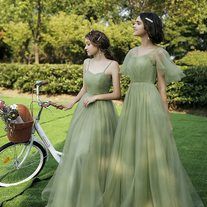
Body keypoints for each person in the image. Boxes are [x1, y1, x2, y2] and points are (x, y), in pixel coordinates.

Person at [101, 12, 204, 207]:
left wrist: (166, 118)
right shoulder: (131, 53)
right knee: (130, 146)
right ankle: (132, 192)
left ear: (147, 28)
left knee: (151, 147)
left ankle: (153, 195)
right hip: (132, 102)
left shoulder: (159, 53)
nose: (133, 25)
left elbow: (162, 87)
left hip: (150, 101)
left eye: (137, 23)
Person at [42, 30, 120, 207]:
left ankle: (100, 194)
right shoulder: (86, 63)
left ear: (98, 45)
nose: (85, 48)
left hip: (102, 114)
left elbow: (117, 93)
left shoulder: (113, 65)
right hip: (83, 111)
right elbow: (85, 88)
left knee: (97, 154)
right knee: (78, 153)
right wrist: (71, 103)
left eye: (88, 44)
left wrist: (96, 97)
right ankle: (76, 193)